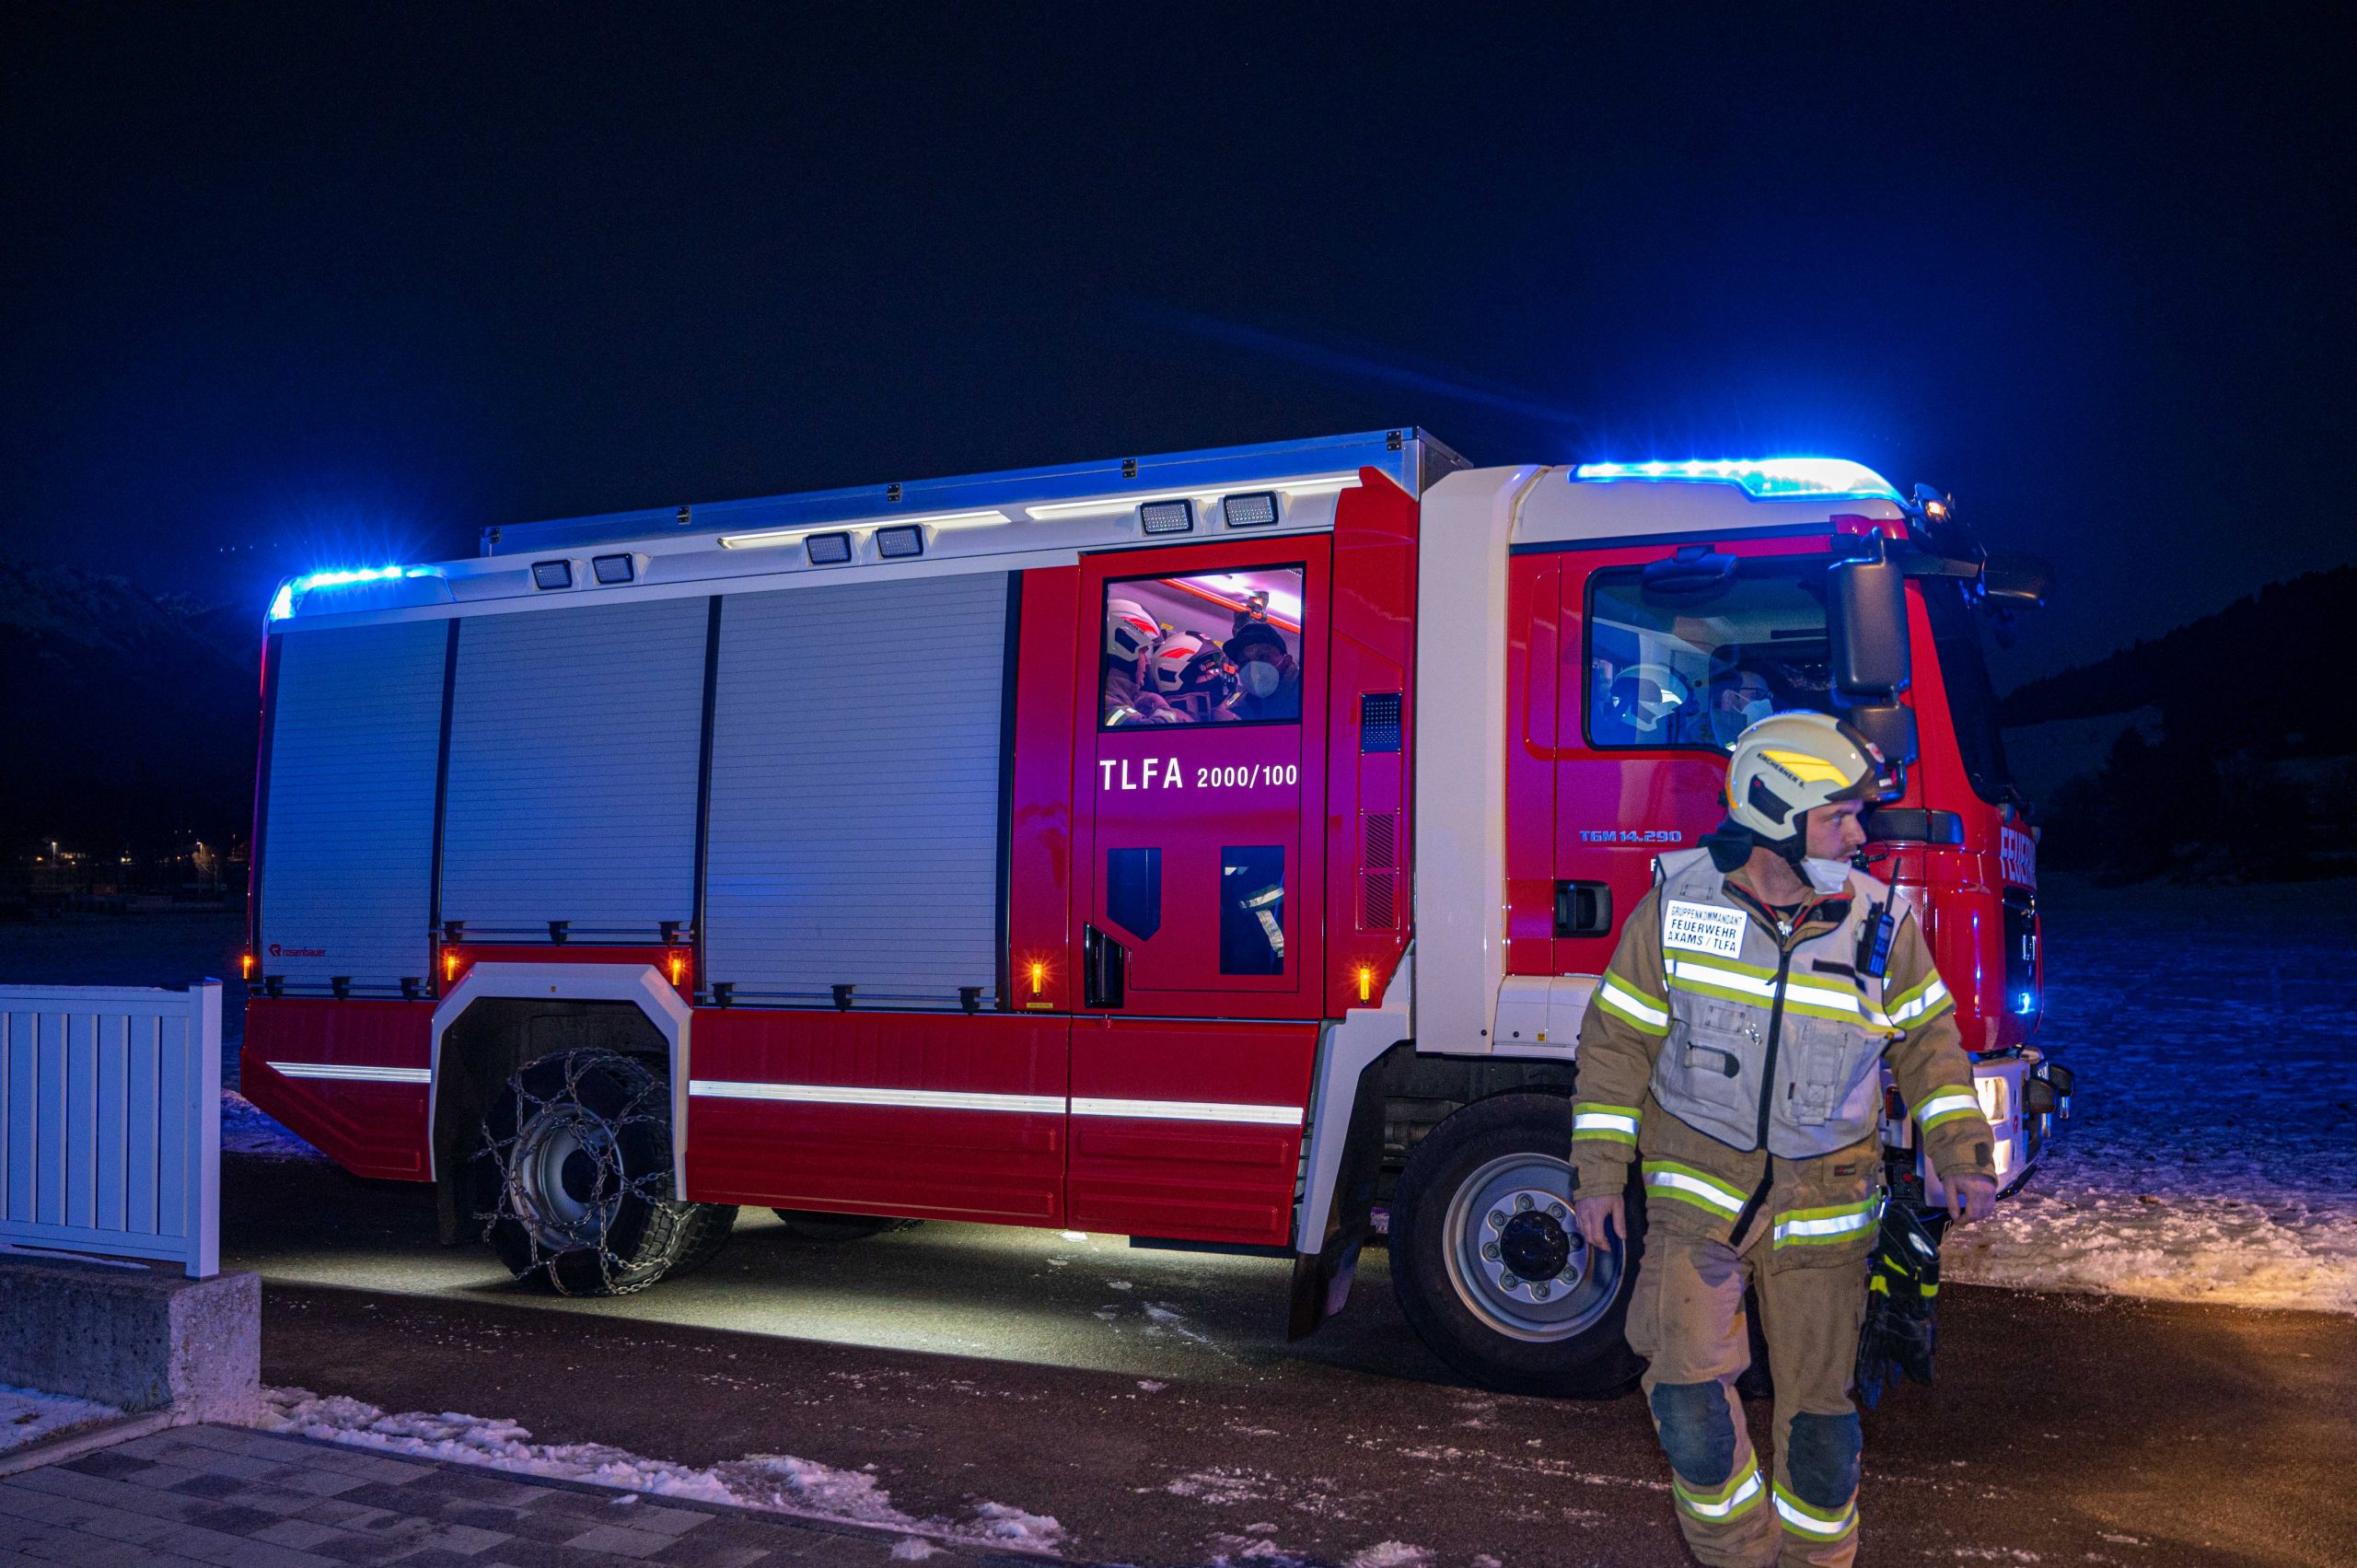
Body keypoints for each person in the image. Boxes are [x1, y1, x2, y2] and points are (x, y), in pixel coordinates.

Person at [1568, 710, 1998, 1568]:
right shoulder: (1679, 904)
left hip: (1827, 1208)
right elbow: (1616, 1045)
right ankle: (1737, 1554)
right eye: (1840, 815)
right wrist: (1600, 1174)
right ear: (1775, 810)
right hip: (1697, 1199)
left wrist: (1961, 1152)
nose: (1860, 833)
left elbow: (1930, 1043)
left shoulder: (1880, 922)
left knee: (1820, 1429)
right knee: (1687, 1404)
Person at [1217, 619, 1302, 722]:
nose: (1254, 670)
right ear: (1239, 671)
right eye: (1244, 662)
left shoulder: (1308, 696)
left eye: (1263, 657)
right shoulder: (1241, 709)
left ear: (1286, 661)